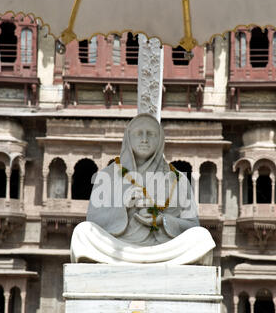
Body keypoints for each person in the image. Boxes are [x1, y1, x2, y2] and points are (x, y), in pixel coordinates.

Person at [70, 113, 215, 265]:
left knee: (202, 237)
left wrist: (163, 220)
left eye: (151, 134)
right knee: (82, 232)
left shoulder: (178, 179)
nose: (144, 139)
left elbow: (192, 225)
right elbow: (94, 221)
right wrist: (122, 207)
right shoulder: (107, 175)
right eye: (139, 133)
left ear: (160, 140)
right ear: (128, 138)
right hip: (117, 248)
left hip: (165, 249)